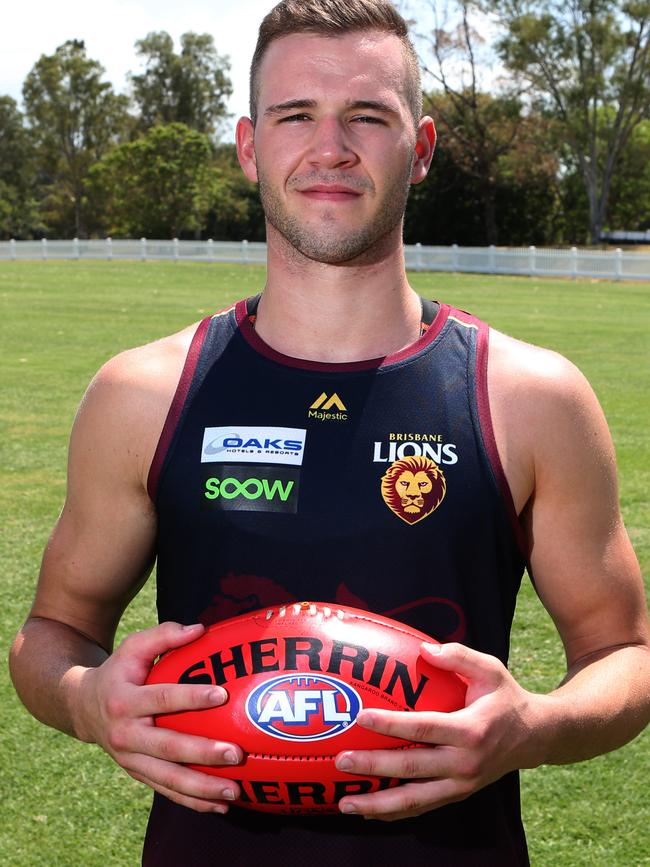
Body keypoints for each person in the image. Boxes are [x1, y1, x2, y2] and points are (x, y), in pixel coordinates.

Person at [9, 1, 650, 864]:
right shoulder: (145, 393)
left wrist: (533, 724)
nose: (331, 147)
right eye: (296, 115)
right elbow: (52, 632)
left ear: (420, 148)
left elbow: (625, 654)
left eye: (367, 117)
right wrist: (89, 700)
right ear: (248, 146)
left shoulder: (530, 396)